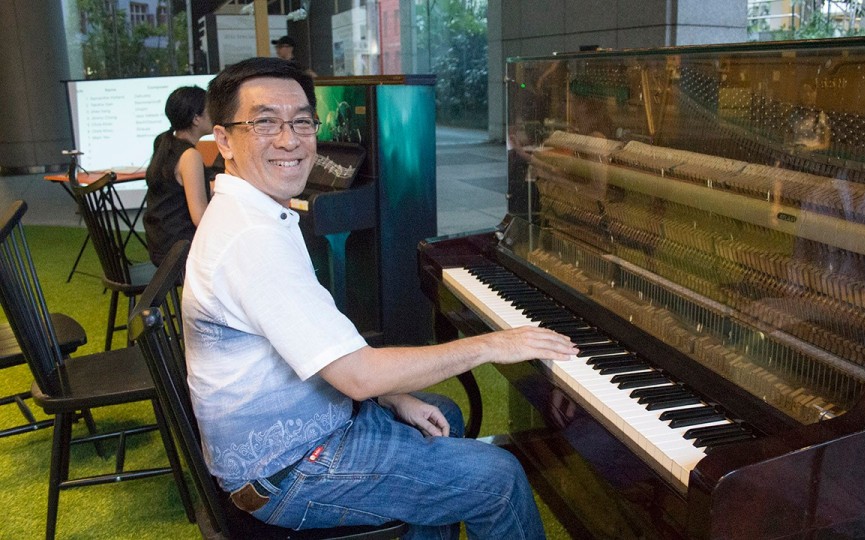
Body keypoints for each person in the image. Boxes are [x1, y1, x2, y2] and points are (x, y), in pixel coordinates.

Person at [183, 57, 578, 539]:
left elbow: (319, 346)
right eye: (265, 123)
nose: (289, 140)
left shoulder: (254, 211)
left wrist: (392, 395)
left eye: (302, 122)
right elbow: (356, 374)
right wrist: (493, 344)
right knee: (498, 478)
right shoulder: (251, 239)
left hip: (307, 428)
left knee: (442, 415)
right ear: (224, 140)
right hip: (287, 471)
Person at [144, 86, 213, 266]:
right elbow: (200, 218)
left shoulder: (164, 142)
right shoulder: (190, 156)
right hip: (179, 253)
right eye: (210, 109)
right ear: (196, 119)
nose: (215, 114)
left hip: (161, 245)